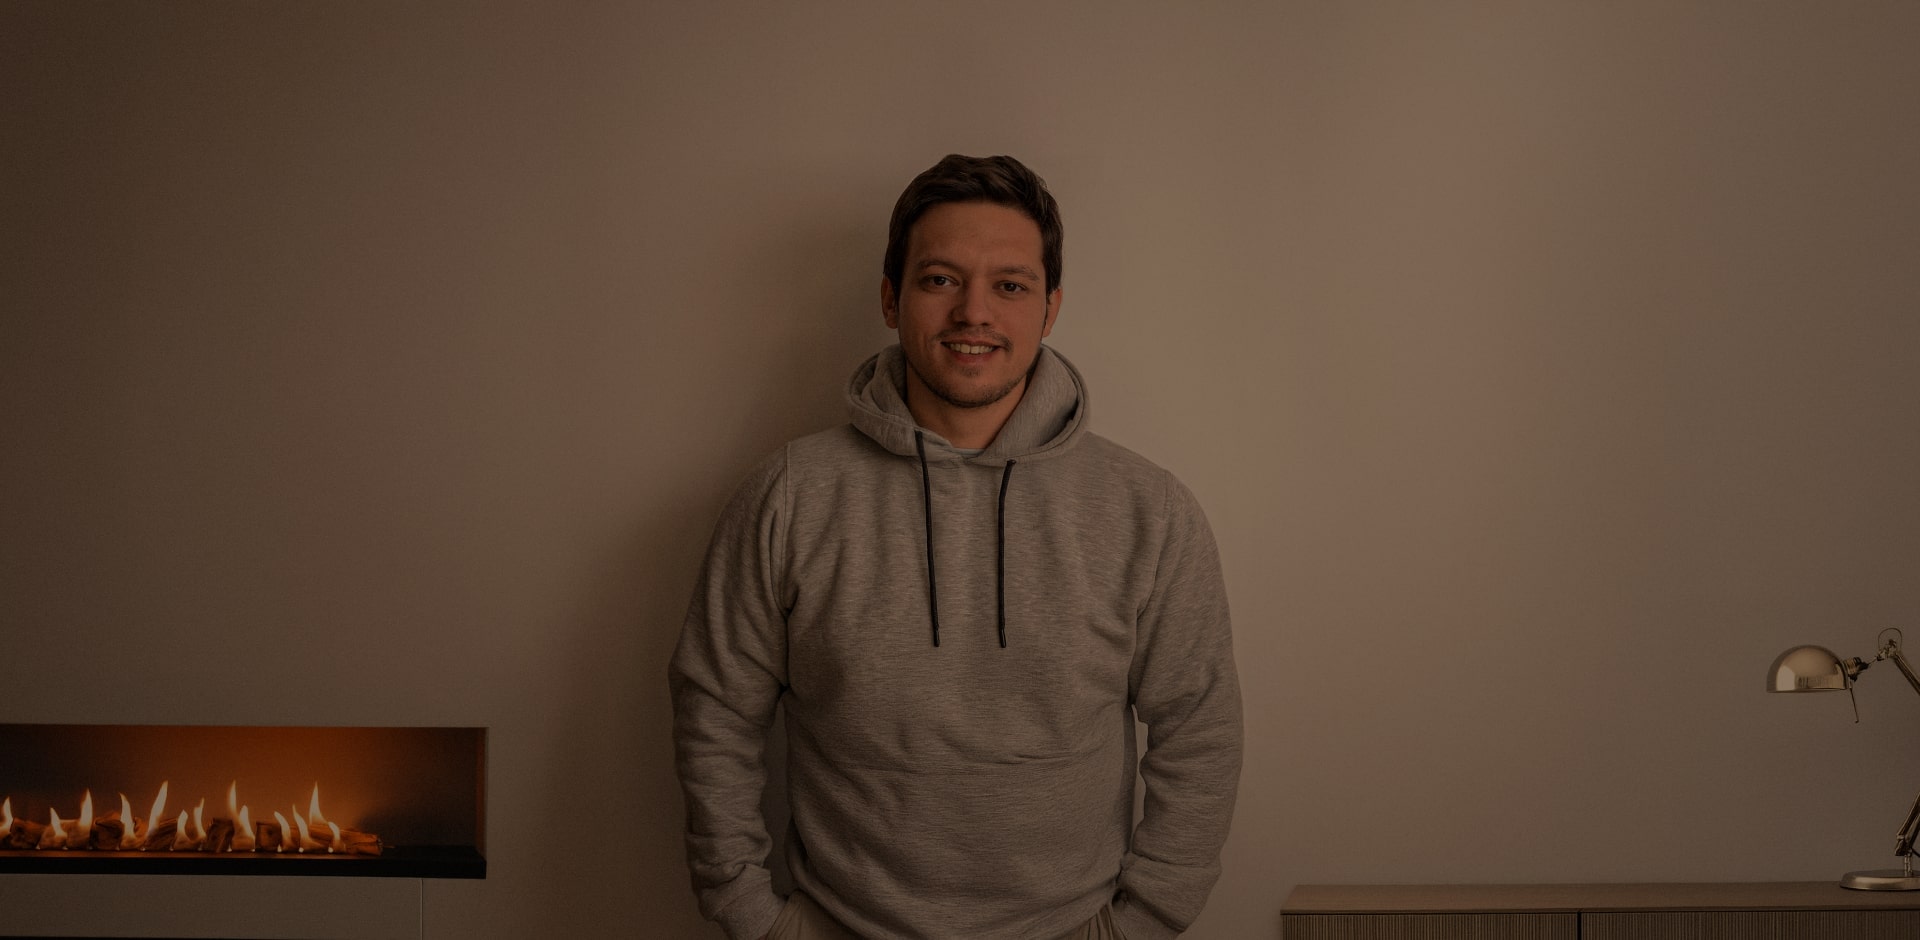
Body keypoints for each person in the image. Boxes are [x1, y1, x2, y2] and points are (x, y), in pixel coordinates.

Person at [671, 154, 1242, 940]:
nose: (974, 312)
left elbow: (1199, 732)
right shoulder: (789, 497)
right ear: (889, 297)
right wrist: (756, 917)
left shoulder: (1150, 512)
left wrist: (1139, 924)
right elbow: (714, 710)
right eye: (940, 279)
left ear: (1050, 308)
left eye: (1010, 285)